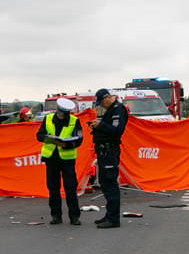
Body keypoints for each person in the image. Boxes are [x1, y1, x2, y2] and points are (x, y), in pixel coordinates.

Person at [36, 97, 83, 225]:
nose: (62, 116)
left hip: (67, 159)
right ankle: (56, 216)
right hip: (51, 158)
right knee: (53, 188)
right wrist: (49, 138)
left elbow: (79, 139)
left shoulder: (74, 121)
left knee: (70, 188)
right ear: (57, 110)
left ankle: (74, 217)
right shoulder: (48, 118)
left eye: (65, 114)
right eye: (61, 113)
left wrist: (66, 145)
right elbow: (39, 135)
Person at [88, 89, 128, 228]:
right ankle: (109, 215)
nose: (101, 106)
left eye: (101, 103)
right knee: (105, 184)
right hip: (104, 151)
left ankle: (113, 219)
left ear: (107, 98)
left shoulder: (118, 109)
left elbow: (117, 131)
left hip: (109, 151)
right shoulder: (111, 110)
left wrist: (101, 125)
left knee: (110, 184)